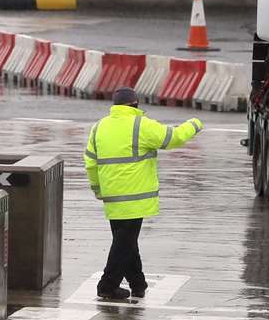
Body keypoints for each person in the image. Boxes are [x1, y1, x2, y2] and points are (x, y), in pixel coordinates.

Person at [84, 87, 204, 301]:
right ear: (135, 104)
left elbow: (91, 163)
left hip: (111, 196)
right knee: (124, 243)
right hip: (135, 196)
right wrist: (194, 124)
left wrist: (97, 189)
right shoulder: (141, 125)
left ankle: (138, 283)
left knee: (127, 241)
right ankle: (107, 285)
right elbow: (173, 138)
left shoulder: (99, 127)